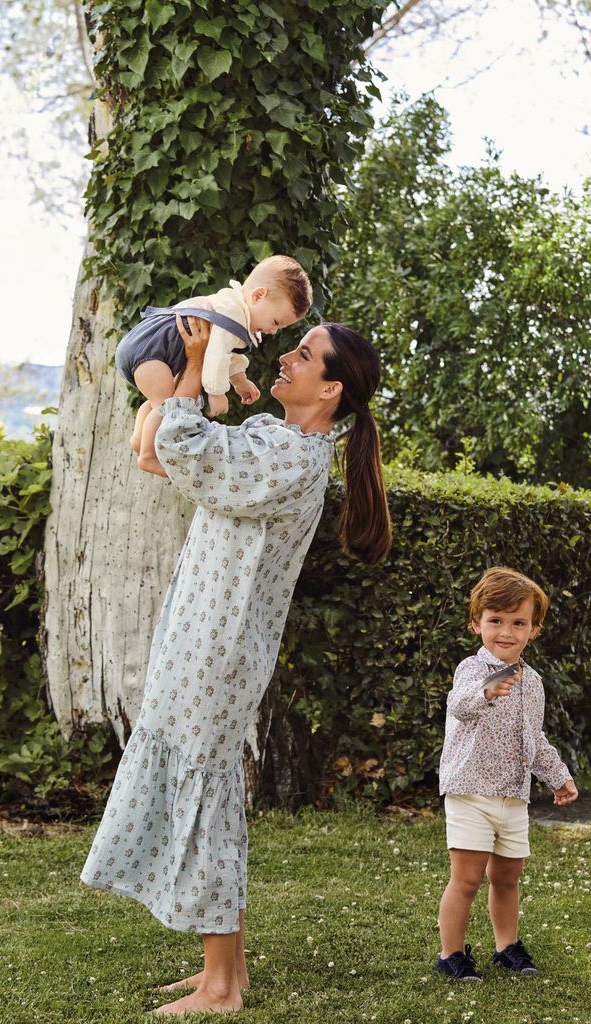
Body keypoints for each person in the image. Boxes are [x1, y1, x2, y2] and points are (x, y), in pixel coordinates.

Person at [80, 313, 392, 1015]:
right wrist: (181, 397)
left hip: (216, 650)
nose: (286, 356)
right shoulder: (272, 439)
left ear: (330, 389)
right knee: (206, 788)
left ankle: (220, 987)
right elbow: (163, 453)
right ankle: (227, 970)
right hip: (199, 632)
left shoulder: (290, 460)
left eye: (304, 355)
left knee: (207, 795)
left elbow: (184, 444)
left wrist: (189, 367)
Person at [435, 566, 578, 982]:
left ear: (534, 630)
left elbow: (534, 737)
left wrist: (559, 775)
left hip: (513, 796)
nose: (506, 631)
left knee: (508, 876)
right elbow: (459, 705)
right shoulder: (472, 671)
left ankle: (506, 946)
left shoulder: (533, 683)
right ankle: (451, 954)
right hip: (470, 791)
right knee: (467, 879)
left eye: (519, 622)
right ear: (476, 623)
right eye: (496, 620)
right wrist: (487, 691)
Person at [115, 255, 312, 471]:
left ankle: (139, 439)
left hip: (146, 349)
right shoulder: (233, 314)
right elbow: (217, 354)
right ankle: (148, 456)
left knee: (162, 400)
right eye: (275, 322)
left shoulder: (233, 308)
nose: (273, 330)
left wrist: (240, 380)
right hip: (152, 351)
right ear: (258, 296)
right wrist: (216, 393)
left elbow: (227, 352)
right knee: (168, 408)